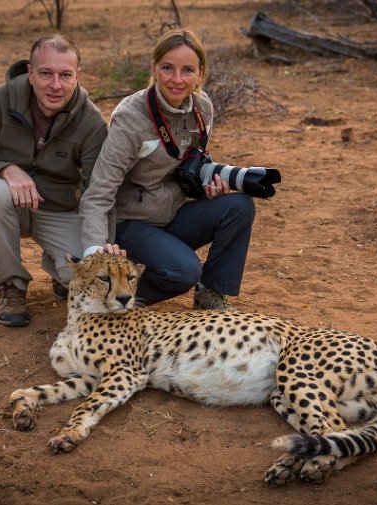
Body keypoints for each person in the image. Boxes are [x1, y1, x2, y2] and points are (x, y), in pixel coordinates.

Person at [79, 29, 255, 310]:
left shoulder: (202, 109)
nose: (177, 79)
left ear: (200, 74)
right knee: (183, 271)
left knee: (239, 205)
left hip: (173, 214)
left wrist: (207, 184)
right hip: (132, 224)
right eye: (167, 68)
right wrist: (95, 253)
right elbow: (99, 191)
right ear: (153, 69)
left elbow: (191, 163)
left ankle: (211, 292)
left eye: (188, 70)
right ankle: (110, 300)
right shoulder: (131, 118)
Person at [0, 34, 107, 327]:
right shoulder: (0, 101)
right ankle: (10, 285)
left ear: (78, 76)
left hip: (60, 210)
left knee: (89, 289)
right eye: (45, 73)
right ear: (30, 72)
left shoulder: (91, 121)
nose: (55, 85)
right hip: (10, 206)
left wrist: (95, 250)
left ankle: (59, 268)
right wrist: (6, 170)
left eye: (65, 75)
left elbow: (97, 192)